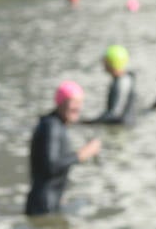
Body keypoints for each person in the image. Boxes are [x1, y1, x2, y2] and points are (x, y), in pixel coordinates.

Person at [26, 81, 102, 216]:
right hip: (42, 207)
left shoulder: (55, 124)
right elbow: (51, 166)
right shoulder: (52, 127)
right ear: (60, 103)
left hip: (48, 204)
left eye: (80, 103)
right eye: (72, 103)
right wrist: (82, 154)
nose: (77, 108)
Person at [84, 45, 138, 126]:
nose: (103, 63)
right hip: (128, 124)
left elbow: (114, 114)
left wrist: (89, 122)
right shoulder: (128, 78)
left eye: (106, 61)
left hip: (121, 128)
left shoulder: (119, 84)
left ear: (112, 63)